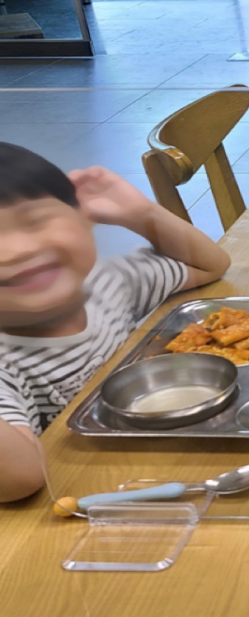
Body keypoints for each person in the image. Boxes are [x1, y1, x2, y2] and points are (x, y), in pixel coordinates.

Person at [0, 145, 230, 501]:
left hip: (168, 458)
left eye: (35, 221)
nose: (16, 250)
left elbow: (211, 265)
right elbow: (22, 479)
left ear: (82, 217)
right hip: (86, 496)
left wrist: (143, 215)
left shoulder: (105, 282)